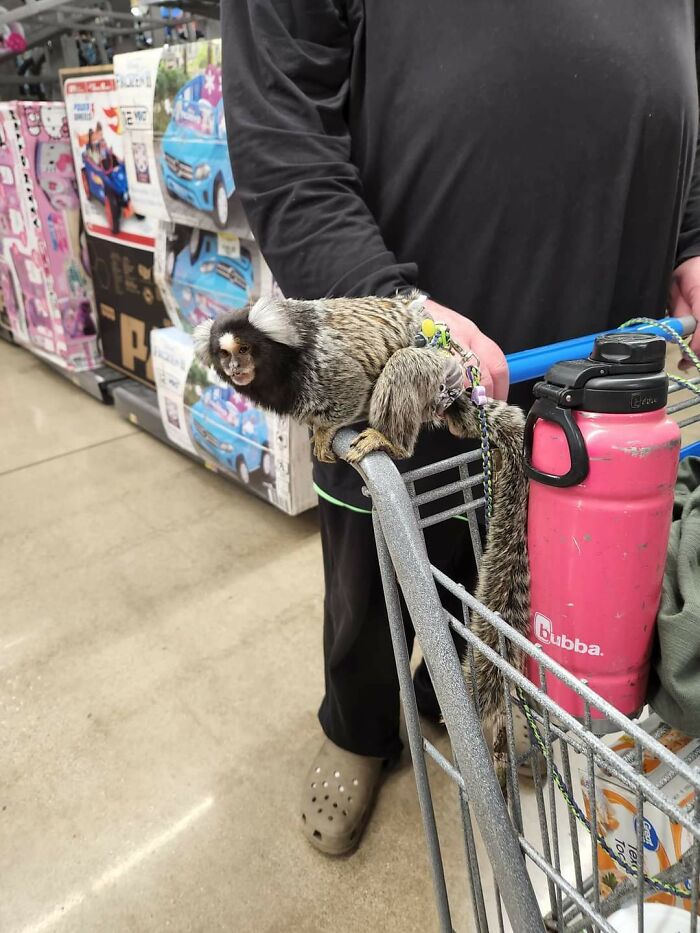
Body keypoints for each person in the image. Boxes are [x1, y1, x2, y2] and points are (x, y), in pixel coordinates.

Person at [222, 1, 700, 854]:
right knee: (378, 559)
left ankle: (478, 688)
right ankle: (359, 720)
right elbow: (280, 111)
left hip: (602, 328)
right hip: (407, 327)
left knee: (540, 546)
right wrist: (378, 296)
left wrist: (692, 235)